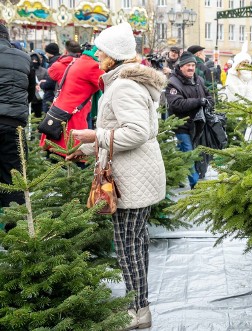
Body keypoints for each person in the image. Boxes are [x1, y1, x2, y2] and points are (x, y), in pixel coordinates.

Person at [66, 22, 166, 330]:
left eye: (101, 52)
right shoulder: (125, 82)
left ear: (113, 57)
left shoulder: (123, 86)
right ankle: (139, 308)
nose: (97, 57)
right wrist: (88, 147)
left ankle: (137, 310)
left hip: (131, 178)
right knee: (135, 243)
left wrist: (93, 137)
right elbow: (133, 130)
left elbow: (135, 133)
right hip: (136, 173)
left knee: (127, 246)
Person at [38, 45, 103, 157]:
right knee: (72, 159)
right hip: (71, 118)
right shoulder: (92, 66)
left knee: (54, 157)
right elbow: (109, 84)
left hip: (58, 113)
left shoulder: (78, 61)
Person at [165, 51, 214, 188]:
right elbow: (177, 104)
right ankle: (195, 184)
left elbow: (209, 96)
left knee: (193, 153)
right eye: (188, 65)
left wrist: (208, 102)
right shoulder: (173, 83)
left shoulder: (198, 80)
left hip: (198, 125)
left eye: (193, 65)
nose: (191, 68)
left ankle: (178, 176)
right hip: (182, 126)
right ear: (181, 67)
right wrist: (199, 101)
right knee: (188, 153)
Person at [0, 23, 35, 210]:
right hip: (14, 125)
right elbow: (30, 95)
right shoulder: (24, 58)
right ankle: (14, 232)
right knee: (14, 178)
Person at [40, 42, 61, 114]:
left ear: (50, 52)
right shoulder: (59, 61)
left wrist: (42, 84)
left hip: (51, 95)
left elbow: (50, 82)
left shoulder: (53, 64)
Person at [30, 51, 47, 118]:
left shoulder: (44, 71)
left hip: (40, 98)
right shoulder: (27, 70)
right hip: (29, 97)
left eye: (36, 60)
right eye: (32, 60)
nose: (34, 61)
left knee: (39, 116)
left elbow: (47, 83)